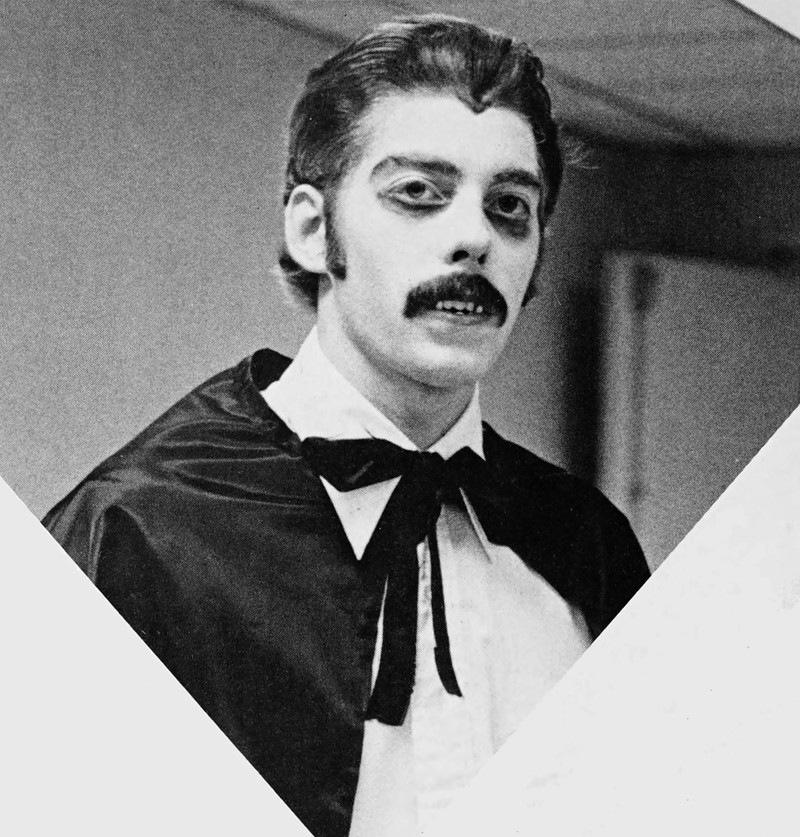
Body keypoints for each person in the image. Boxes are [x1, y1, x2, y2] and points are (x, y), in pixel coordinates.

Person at [44, 15, 650, 837]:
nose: (474, 237)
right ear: (311, 228)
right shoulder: (140, 532)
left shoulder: (587, 547)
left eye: (510, 207)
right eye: (419, 194)